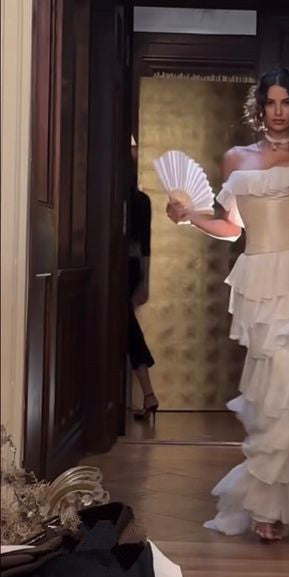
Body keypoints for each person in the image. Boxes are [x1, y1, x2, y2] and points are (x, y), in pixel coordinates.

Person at [167, 67, 289, 541]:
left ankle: (267, 508)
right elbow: (231, 227)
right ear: (259, 107)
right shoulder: (236, 159)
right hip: (257, 280)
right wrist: (189, 217)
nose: (277, 112)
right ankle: (269, 504)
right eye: (270, 103)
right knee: (272, 395)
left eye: (285, 103)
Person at [129, 141, 159, 421]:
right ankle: (149, 395)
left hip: (129, 269)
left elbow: (145, 247)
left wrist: (144, 282)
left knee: (125, 328)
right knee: (126, 329)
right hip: (111, 268)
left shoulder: (140, 201)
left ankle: (149, 394)